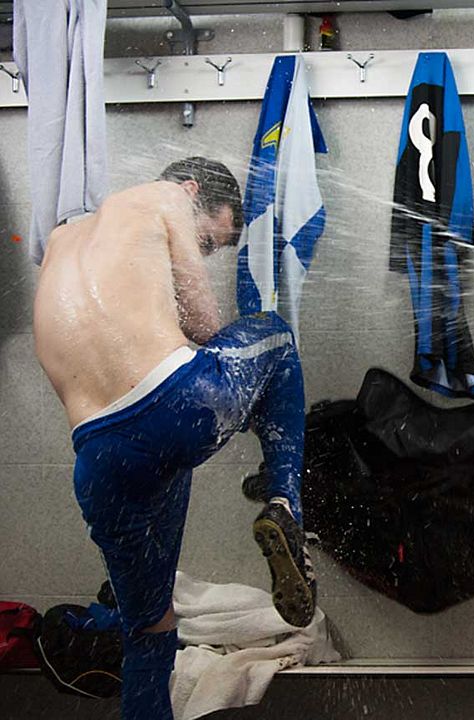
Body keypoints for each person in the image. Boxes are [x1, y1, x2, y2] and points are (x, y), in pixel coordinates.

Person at [33, 157, 317, 720]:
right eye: (215, 239)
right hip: (172, 408)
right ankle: (286, 503)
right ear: (192, 190)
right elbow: (205, 323)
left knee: (149, 629)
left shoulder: (61, 241)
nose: (210, 250)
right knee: (276, 338)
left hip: (99, 458)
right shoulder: (164, 198)